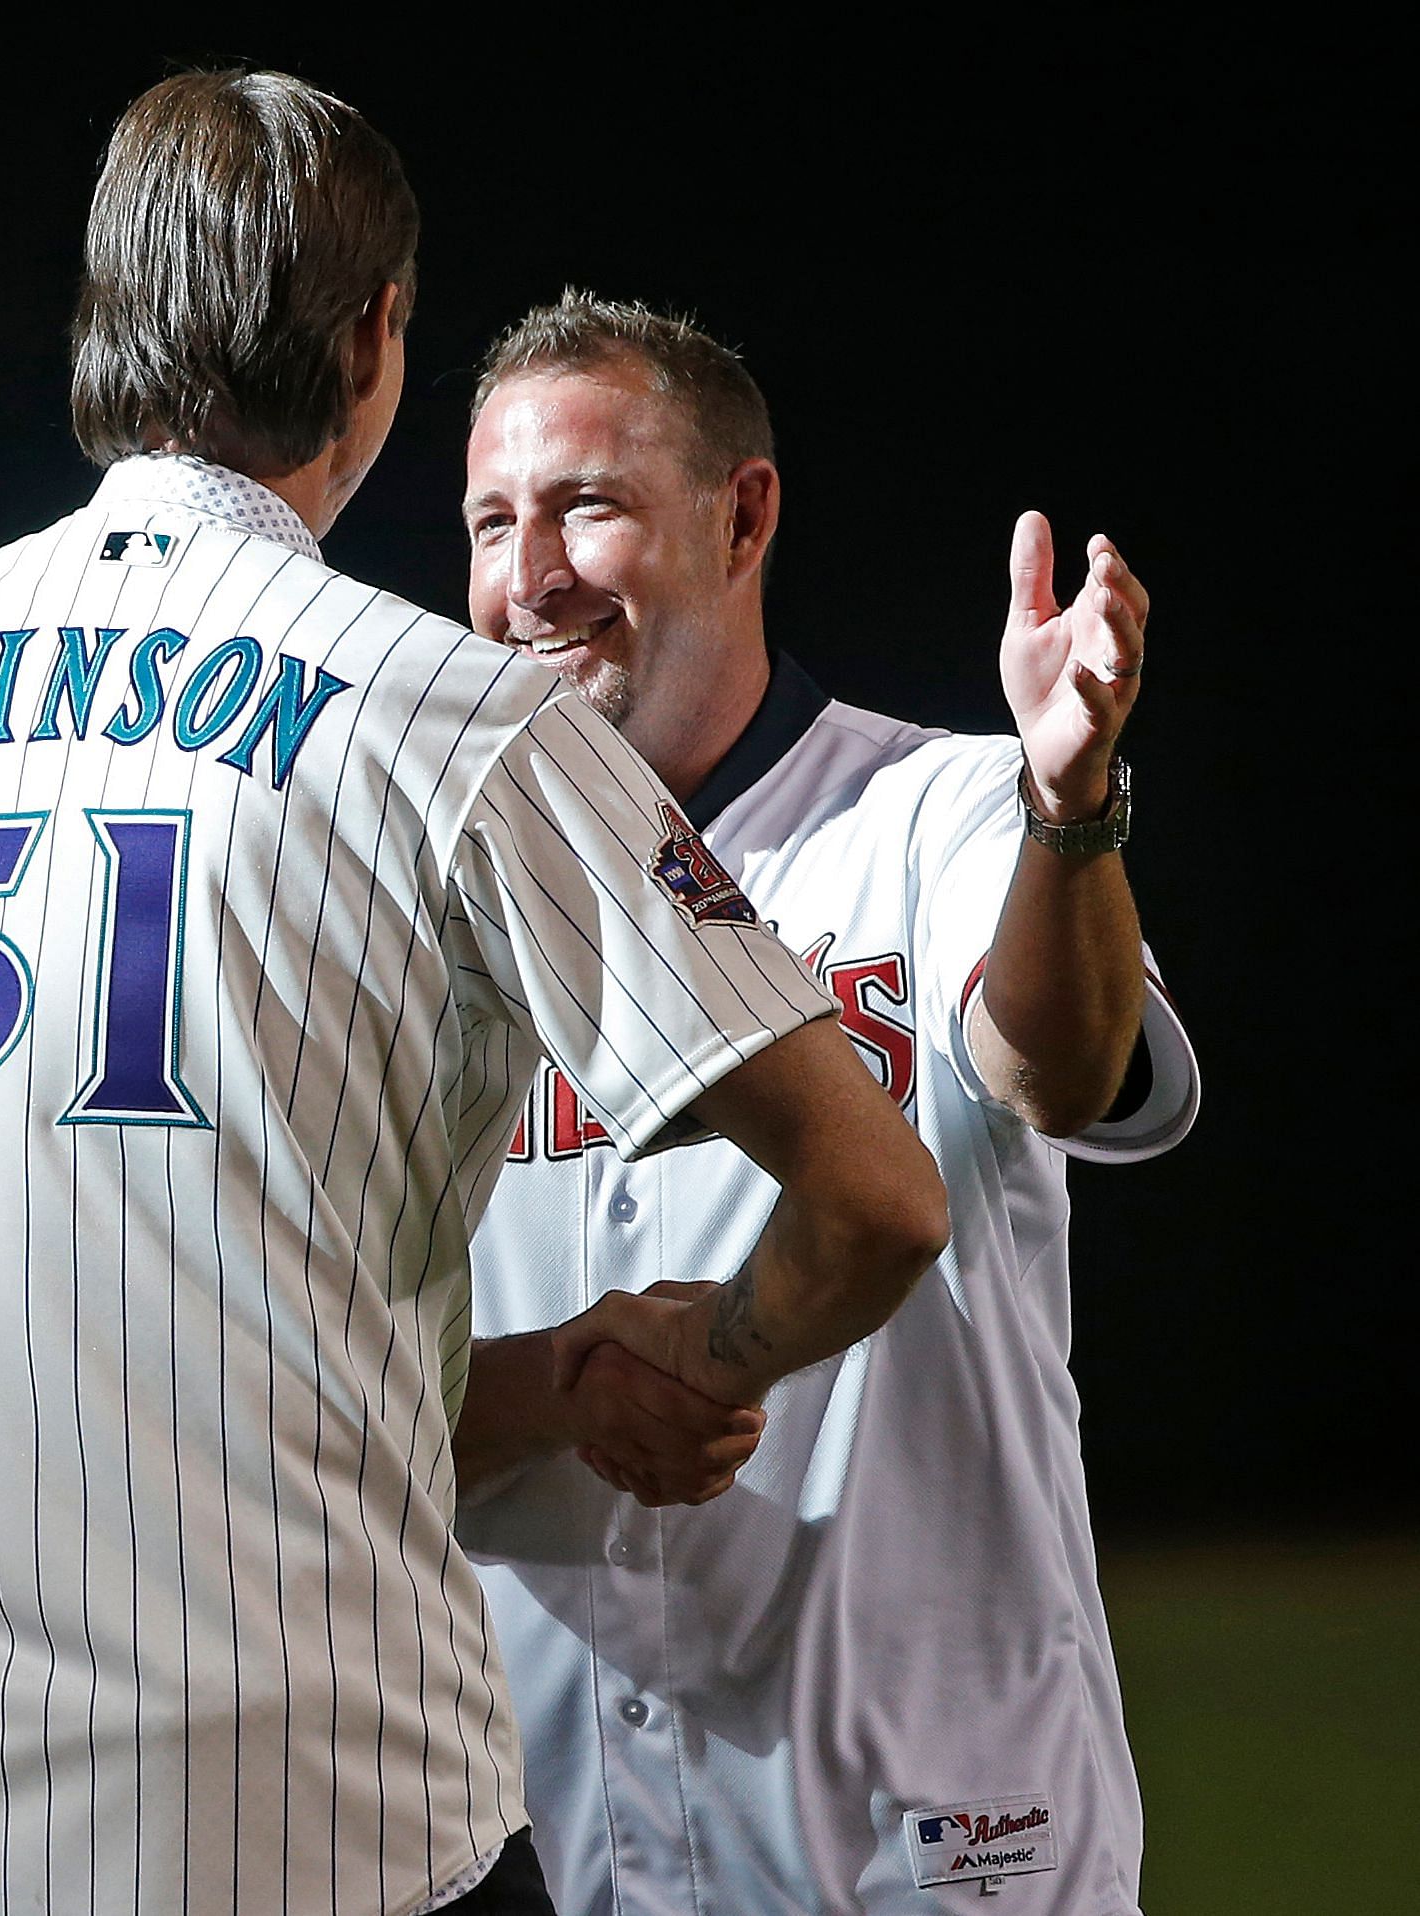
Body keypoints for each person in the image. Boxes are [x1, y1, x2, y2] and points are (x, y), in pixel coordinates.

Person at [0, 75, 949, 1916]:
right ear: (375, 339)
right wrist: (703, 1352)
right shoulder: (457, 710)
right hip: (313, 1798)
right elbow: (880, 1198)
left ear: (103, 319)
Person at [452, 291, 1195, 1914]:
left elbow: (1050, 1067)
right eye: (490, 521)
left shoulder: (925, 808)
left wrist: (1068, 814)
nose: (530, 576)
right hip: (547, 1844)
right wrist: (569, 1381)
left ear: (742, 512)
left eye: (585, 502)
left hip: (929, 1839)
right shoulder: (435, 916)